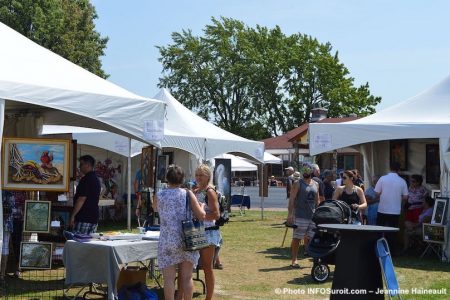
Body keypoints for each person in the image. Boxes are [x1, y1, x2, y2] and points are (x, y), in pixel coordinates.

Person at [152, 165, 205, 300]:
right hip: (186, 238)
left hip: (167, 239)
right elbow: (201, 215)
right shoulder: (187, 193)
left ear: (166, 179)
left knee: (168, 280)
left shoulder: (159, 195)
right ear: (182, 179)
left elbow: (155, 209)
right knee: (187, 278)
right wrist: (201, 206)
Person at [193, 164, 221, 300]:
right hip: (197, 231)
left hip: (209, 232)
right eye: (197, 175)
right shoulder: (197, 191)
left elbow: (216, 214)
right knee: (192, 264)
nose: (198, 177)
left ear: (208, 176)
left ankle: (209, 297)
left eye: (201, 175)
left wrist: (202, 216)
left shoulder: (210, 191)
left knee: (207, 267)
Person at [287, 163, 319, 268]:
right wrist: (290, 214)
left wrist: (318, 214)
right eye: (304, 170)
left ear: (311, 171)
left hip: (312, 216)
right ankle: (294, 260)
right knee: (297, 238)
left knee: (311, 238)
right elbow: (291, 199)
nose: (305, 172)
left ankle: (314, 258)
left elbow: (317, 201)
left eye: (307, 170)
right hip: (300, 215)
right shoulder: (297, 183)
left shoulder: (316, 184)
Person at [375, 162, 409, 254]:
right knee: (392, 232)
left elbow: (377, 193)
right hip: (395, 210)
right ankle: (392, 252)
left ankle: (377, 250)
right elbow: (406, 197)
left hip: (382, 209)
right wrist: (397, 198)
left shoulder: (382, 178)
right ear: (399, 170)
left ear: (389, 167)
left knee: (379, 231)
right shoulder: (402, 181)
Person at [69, 155, 101, 234]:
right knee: (89, 244)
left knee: (79, 243)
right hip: (93, 217)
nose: (79, 167)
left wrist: (73, 215)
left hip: (84, 217)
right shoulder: (96, 179)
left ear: (87, 165)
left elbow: (81, 199)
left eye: (81, 164)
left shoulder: (86, 179)